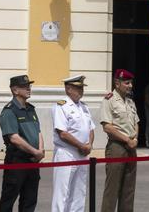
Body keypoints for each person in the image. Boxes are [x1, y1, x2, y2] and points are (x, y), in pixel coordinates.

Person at [0, 74, 43, 212]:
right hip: (17, 160)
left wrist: (40, 150)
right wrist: (35, 151)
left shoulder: (31, 108)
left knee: (29, 200)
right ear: (15, 90)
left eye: (29, 86)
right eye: (24, 87)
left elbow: (38, 132)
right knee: (9, 199)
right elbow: (14, 138)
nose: (28, 89)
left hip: (33, 160)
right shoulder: (9, 110)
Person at [52, 75, 95, 212]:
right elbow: (62, 133)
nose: (81, 90)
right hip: (66, 153)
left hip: (82, 154)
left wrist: (89, 145)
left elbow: (91, 128)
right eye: (78, 88)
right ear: (68, 89)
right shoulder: (61, 106)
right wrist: (81, 146)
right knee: (62, 192)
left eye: (82, 87)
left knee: (79, 191)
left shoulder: (84, 107)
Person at [100, 69, 139, 212]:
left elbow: (136, 122)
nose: (130, 86)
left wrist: (135, 138)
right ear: (117, 83)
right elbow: (107, 127)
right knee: (112, 189)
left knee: (129, 189)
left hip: (131, 146)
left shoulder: (130, 101)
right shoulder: (109, 100)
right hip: (116, 147)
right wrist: (126, 139)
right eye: (127, 83)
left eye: (131, 83)